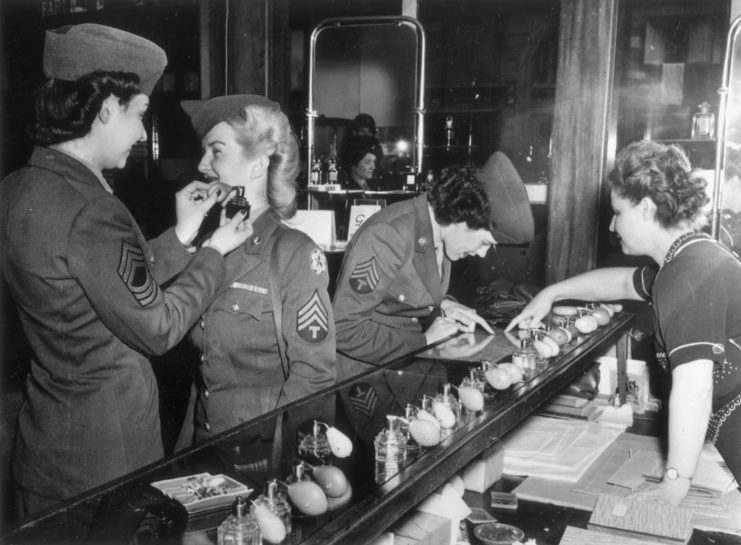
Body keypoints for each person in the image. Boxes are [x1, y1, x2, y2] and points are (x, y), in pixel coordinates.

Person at [0, 24, 251, 518]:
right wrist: (214, 252)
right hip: (104, 468)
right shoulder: (91, 209)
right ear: (105, 109)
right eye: (138, 114)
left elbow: (103, 289)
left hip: (50, 450)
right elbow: (156, 327)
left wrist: (180, 236)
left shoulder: (20, 188)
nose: (141, 132)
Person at [507, 140, 741, 505]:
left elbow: (694, 387)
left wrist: (674, 484)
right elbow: (620, 283)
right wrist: (551, 293)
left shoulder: (687, 275)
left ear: (646, 208)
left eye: (618, 211)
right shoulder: (687, 259)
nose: (613, 224)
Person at [176, 95, 336, 466]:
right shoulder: (207, 245)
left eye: (216, 151)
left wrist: (293, 468)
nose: (202, 165)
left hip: (261, 460)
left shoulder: (295, 254)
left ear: (258, 165)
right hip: (201, 451)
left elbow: (314, 377)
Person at [333, 167, 500, 379]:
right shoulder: (388, 235)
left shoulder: (441, 234)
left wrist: (444, 306)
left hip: (411, 369)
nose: (483, 254)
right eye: (485, 242)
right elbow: (343, 328)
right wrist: (423, 342)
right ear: (460, 219)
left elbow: (405, 291)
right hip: (368, 373)